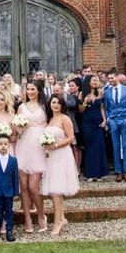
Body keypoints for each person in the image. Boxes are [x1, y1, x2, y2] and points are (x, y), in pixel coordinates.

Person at [40, 95, 79, 235]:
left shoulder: (64, 118)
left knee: (56, 190)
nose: (55, 105)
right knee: (54, 189)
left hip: (61, 155)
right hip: (50, 157)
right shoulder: (50, 120)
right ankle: (62, 218)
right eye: (53, 102)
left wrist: (55, 145)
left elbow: (70, 137)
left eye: (58, 103)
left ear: (62, 105)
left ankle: (57, 222)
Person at [15, 80, 49, 233]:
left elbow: (50, 124)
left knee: (33, 187)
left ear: (39, 91)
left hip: (38, 146)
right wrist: (19, 127)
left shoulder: (44, 107)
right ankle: (28, 218)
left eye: (33, 89)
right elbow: (16, 126)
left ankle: (41, 216)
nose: (30, 91)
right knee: (23, 186)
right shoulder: (21, 107)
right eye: (28, 89)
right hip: (23, 146)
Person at [103, 72, 126, 182]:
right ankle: (118, 172)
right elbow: (106, 107)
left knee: (125, 145)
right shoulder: (107, 91)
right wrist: (109, 119)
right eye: (108, 78)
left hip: (125, 119)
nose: (110, 80)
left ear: (117, 77)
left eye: (111, 77)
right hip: (113, 121)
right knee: (115, 146)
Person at [78, 75, 107, 181]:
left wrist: (105, 120)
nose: (95, 82)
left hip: (98, 122)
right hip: (87, 123)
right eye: (93, 80)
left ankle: (100, 173)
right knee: (89, 148)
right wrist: (85, 102)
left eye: (97, 80)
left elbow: (102, 108)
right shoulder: (82, 93)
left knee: (99, 147)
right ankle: (90, 174)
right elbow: (80, 110)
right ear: (88, 81)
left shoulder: (100, 92)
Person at [63, 78, 82, 168]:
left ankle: (77, 168)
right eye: (69, 86)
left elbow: (72, 104)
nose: (70, 87)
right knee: (71, 147)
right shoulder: (68, 96)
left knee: (76, 147)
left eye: (72, 86)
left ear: (78, 87)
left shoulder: (75, 97)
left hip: (78, 123)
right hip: (71, 123)